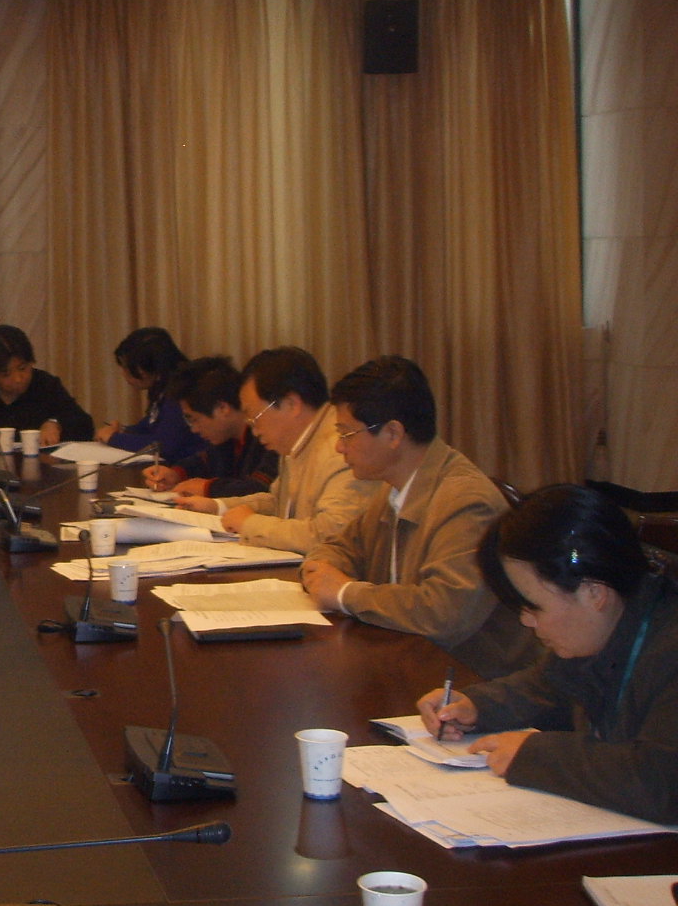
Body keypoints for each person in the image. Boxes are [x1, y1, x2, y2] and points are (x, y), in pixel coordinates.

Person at [416, 485, 678, 822]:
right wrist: (477, 706)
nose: (526, 621)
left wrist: (533, 755)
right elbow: (552, 687)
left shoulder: (668, 643)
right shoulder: (610, 625)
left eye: (534, 606)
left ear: (594, 592)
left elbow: (663, 782)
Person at [300, 356, 536, 678]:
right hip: (410, 663)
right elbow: (341, 546)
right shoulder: (394, 487)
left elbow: (443, 613)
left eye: (347, 434)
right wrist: (322, 571)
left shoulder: (466, 501)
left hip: (470, 680)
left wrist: (345, 593)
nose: (340, 448)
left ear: (393, 434)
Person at [179, 346, 376, 553]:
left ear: (291, 404)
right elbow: (278, 503)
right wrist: (218, 507)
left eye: (254, 417)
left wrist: (250, 524)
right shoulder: (298, 441)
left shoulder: (342, 448)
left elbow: (331, 535)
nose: (253, 430)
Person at [140, 355, 278, 498]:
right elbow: (202, 462)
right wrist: (175, 474)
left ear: (222, 408)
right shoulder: (226, 439)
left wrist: (208, 488)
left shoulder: (268, 436)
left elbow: (261, 489)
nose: (194, 429)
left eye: (194, 419)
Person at [0, 324, 94, 447]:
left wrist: (56, 424)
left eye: (22, 368)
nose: (18, 379)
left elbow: (85, 425)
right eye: (5, 374)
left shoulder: (46, 385)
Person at [94, 327, 200, 463]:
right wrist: (122, 430)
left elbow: (163, 445)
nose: (123, 374)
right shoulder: (162, 387)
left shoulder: (181, 392)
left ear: (144, 368)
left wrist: (113, 438)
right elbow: (148, 426)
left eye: (126, 367)